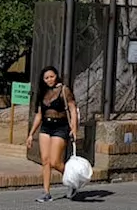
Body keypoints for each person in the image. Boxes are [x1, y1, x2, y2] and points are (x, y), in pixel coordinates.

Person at [26, 66, 81, 202]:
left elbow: (73, 109)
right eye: (46, 78)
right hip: (46, 127)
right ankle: (46, 192)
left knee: (55, 161)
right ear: (43, 80)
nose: (49, 79)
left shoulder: (64, 90)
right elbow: (39, 115)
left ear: (56, 76)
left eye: (51, 76)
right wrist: (31, 134)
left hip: (60, 127)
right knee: (45, 160)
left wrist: (74, 128)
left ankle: (72, 179)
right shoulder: (42, 92)